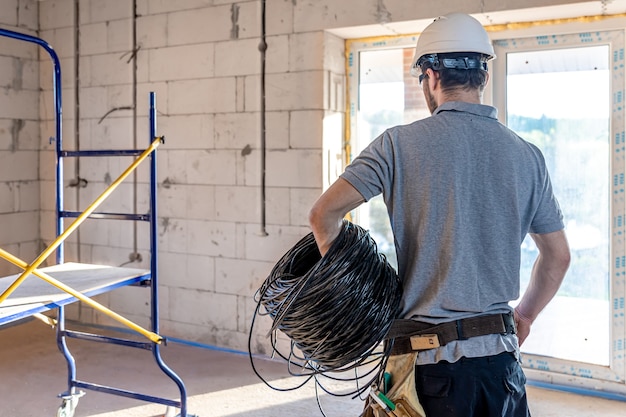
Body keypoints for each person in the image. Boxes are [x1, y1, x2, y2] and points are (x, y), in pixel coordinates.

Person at [308, 12, 571, 417]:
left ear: (430, 76)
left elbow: (323, 215)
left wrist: (356, 294)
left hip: (429, 371)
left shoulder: (396, 145)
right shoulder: (527, 155)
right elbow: (558, 257)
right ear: (482, 76)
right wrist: (525, 315)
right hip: (502, 365)